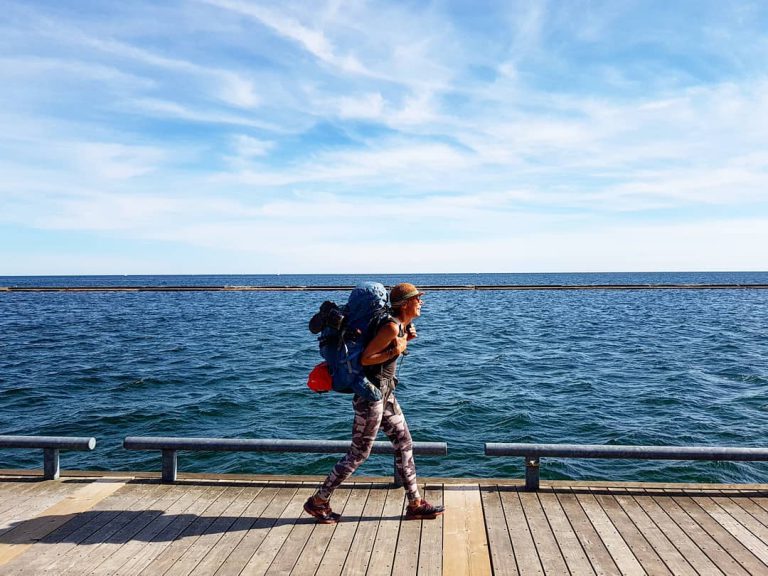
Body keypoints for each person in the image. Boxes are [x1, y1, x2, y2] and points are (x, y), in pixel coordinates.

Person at [304, 282, 445, 523]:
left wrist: (404, 341)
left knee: (404, 443)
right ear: (405, 304)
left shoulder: (399, 325)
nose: (421, 302)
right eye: (417, 299)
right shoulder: (391, 326)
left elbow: (383, 356)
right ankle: (318, 501)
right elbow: (369, 359)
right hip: (369, 399)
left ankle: (415, 503)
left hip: (385, 395)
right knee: (359, 453)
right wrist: (398, 347)